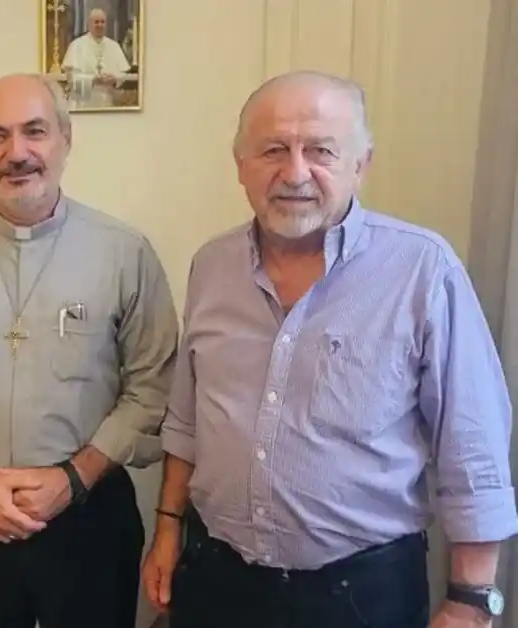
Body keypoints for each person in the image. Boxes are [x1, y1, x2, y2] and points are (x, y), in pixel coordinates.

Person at [142, 70, 518, 628]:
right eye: (273, 149)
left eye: (320, 150)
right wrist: (168, 529)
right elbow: (188, 419)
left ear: (360, 165)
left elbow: (473, 445)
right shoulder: (211, 266)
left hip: (360, 595)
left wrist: (471, 600)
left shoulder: (422, 270)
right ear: (241, 165)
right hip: (216, 578)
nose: (295, 173)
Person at [0, 72, 178, 628]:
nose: (16, 152)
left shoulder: (125, 252)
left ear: (66, 140)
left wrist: (72, 479)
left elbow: (153, 385)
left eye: (34, 132)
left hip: (90, 514)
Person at [61, 8, 131, 108]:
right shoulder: (77, 45)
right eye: (96, 22)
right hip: (83, 103)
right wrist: (92, 80)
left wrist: (114, 79)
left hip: (107, 102)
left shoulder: (114, 46)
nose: (100, 25)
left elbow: (123, 75)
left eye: (103, 22)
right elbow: (71, 78)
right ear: (89, 24)